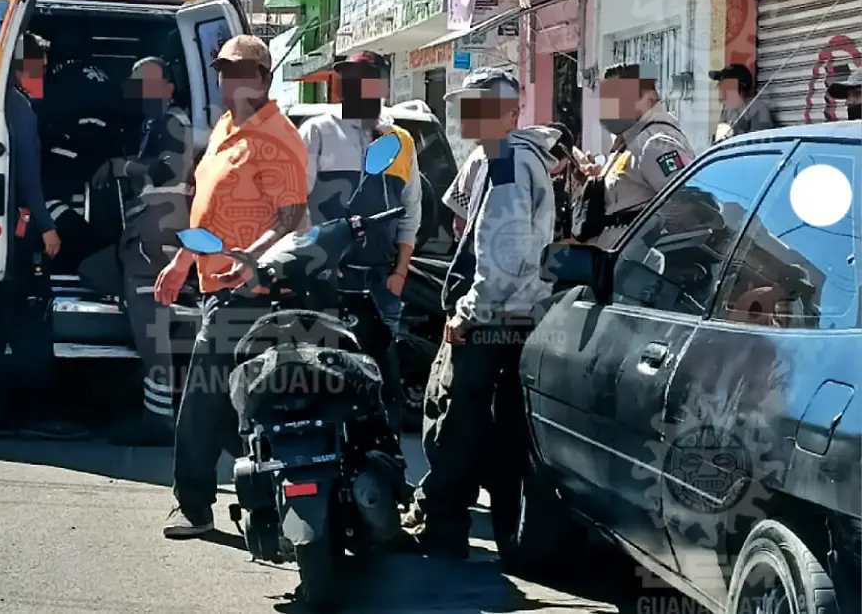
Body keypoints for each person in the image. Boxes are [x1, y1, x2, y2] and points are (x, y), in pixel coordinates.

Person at [154, 35, 309, 538]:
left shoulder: (279, 135)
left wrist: (251, 259)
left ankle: (195, 505)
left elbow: (290, 216)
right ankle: (265, 498)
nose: (229, 80)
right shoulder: (227, 127)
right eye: (223, 71)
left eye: (241, 72)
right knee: (226, 400)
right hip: (216, 285)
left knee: (204, 397)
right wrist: (182, 261)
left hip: (253, 292)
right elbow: (212, 210)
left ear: (264, 79)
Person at [402, 68, 560, 557]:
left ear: (509, 113)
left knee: (454, 424)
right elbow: (463, 217)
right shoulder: (493, 157)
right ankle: (494, 533)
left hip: (495, 320)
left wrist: (468, 313)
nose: (469, 114)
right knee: (494, 431)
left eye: (481, 106)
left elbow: (505, 256)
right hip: (510, 319)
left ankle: (443, 528)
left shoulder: (508, 161)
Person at [0, 32, 89, 441]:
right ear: (21, 65)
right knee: (32, 328)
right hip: (15, 239)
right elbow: (28, 175)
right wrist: (48, 227)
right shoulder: (17, 106)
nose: (45, 73)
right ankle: (40, 417)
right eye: (40, 65)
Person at [298, 50, 423, 426]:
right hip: (328, 282)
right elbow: (297, 205)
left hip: (382, 284)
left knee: (383, 382)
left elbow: (410, 211)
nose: (355, 84)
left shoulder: (400, 140)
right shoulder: (318, 131)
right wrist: (318, 260)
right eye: (348, 77)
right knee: (327, 375)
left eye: (365, 76)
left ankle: (384, 465)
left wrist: (400, 273)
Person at [93, 56, 195, 446]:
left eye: (148, 83)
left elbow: (169, 171)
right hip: (147, 232)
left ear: (169, 86)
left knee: (151, 329)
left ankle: (159, 417)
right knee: (97, 272)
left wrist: (125, 167)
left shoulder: (172, 121)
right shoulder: (156, 122)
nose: (141, 92)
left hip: (157, 231)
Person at [573, 63, 695, 250]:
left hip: (639, 268)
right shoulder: (629, 141)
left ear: (649, 99)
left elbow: (688, 207)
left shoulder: (655, 143)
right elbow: (628, 195)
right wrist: (593, 183)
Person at [710, 63, 775, 143]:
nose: (720, 88)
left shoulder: (758, 109)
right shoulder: (727, 110)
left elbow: (760, 145)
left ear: (741, 85)